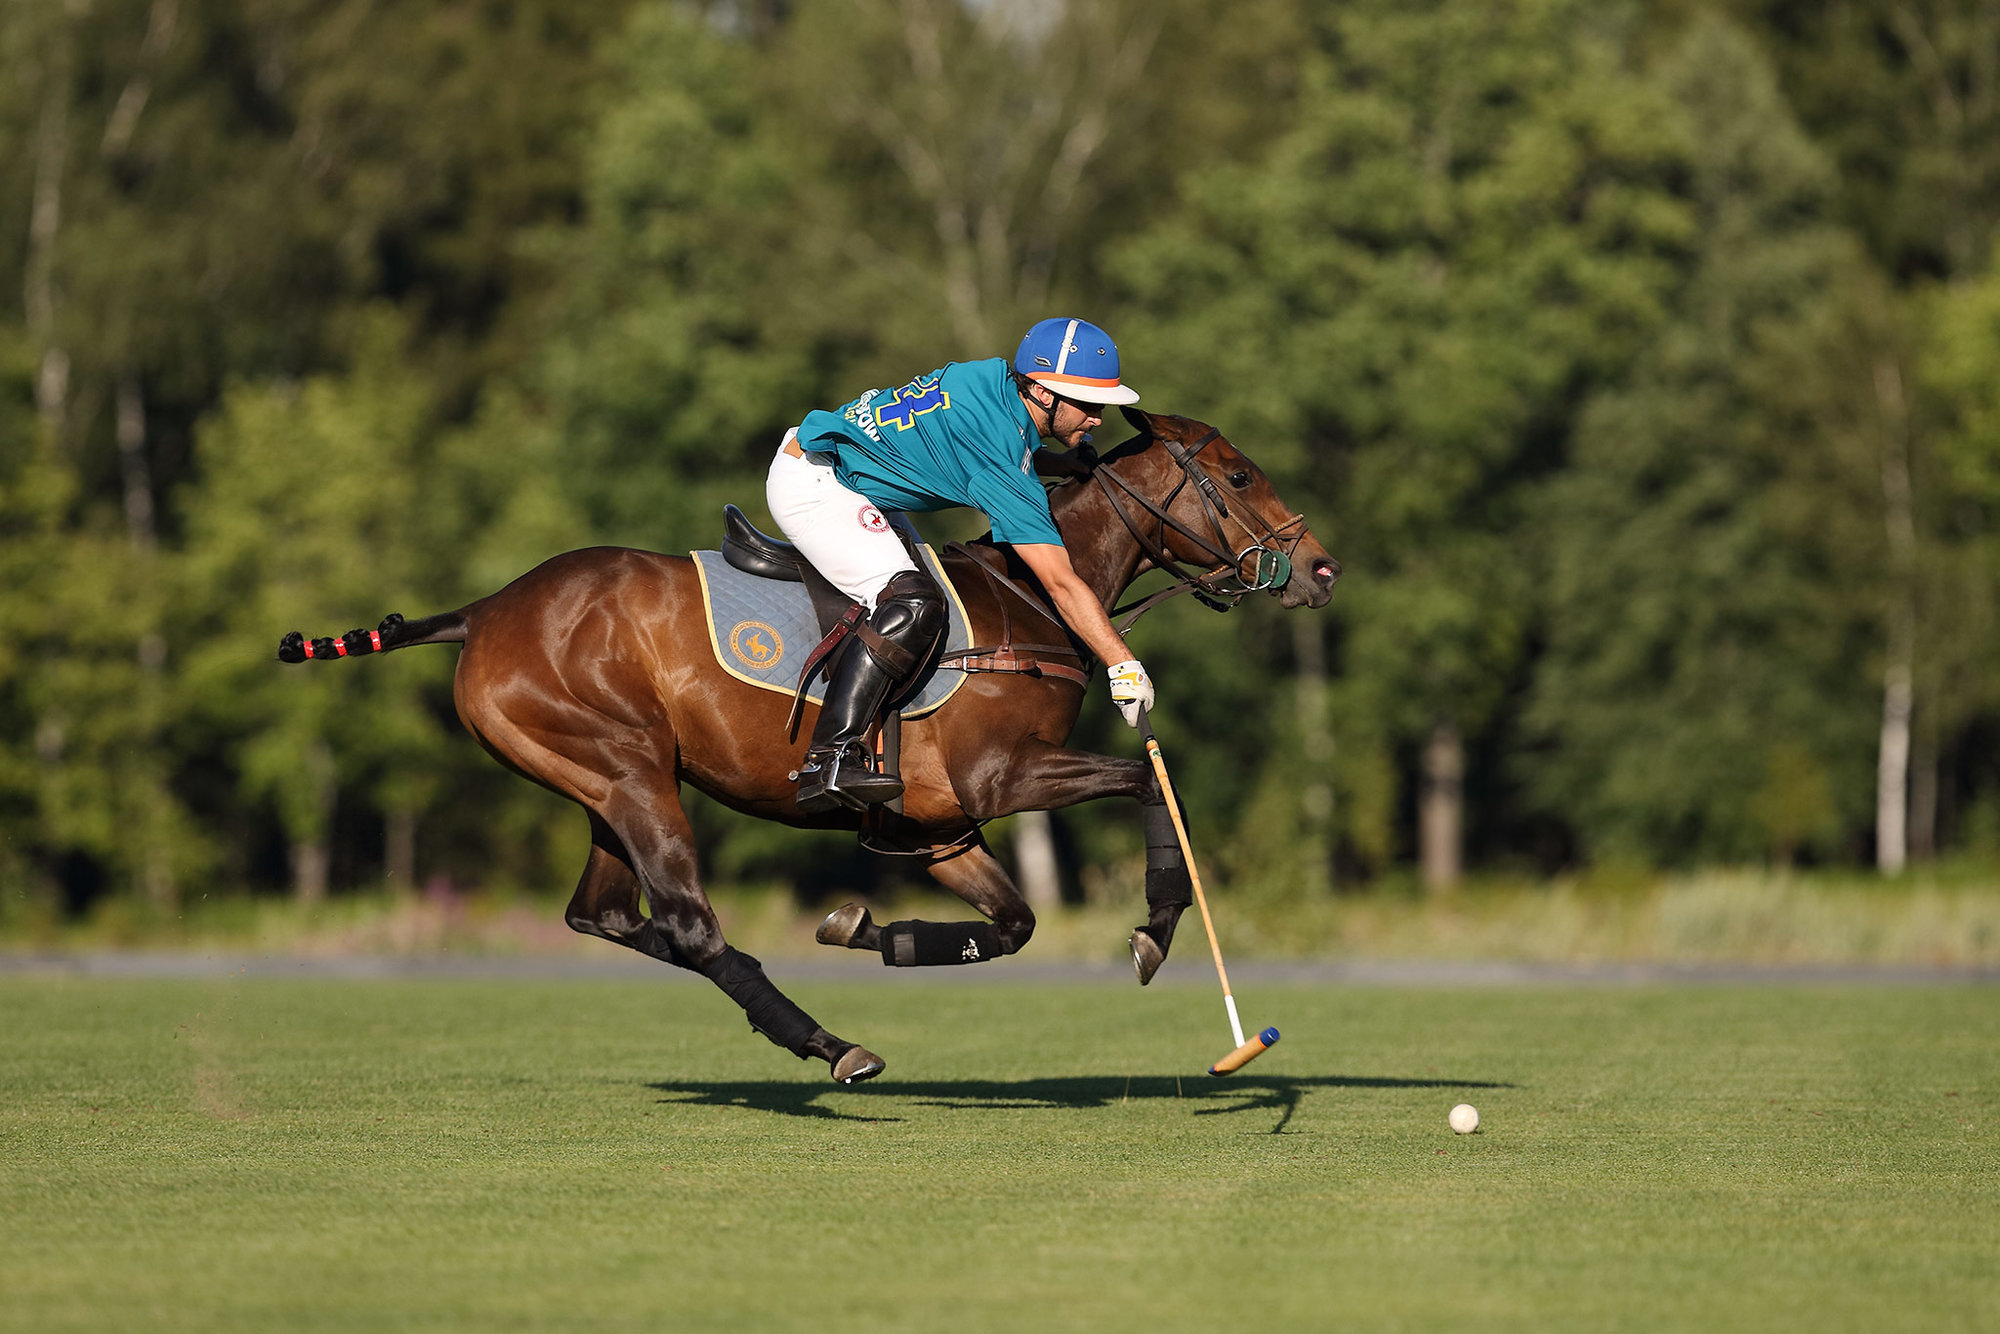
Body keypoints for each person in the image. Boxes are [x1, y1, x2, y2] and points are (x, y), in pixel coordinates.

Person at [768, 316, 1157, 814]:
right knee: (912, 602)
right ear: (1041, 393)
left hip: (847, 472)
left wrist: (1059, 463)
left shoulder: (995, 379)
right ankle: (830, 759)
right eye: (1087, 403)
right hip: (818, 483)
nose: (1098, 417)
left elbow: (982, 444)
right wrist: (1120, 664)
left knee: (936, 604)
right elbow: (1060, 581)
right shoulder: (997, 452)